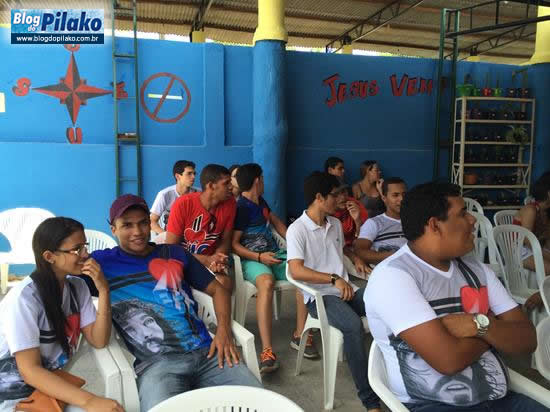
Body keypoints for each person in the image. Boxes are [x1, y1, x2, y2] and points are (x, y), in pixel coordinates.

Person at [365, 182, 544, 412]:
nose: (472, 220)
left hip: (500, 398)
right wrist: (495, 333)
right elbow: (449, 360)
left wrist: (479, 325)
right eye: (462, 213)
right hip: (434, 405)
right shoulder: (394, 276)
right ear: (434, 225)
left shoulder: (477, 269)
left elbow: (528, 340)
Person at [90, 194, 261, 411]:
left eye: (143, 223)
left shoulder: (175, 253)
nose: (137, 232)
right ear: (113, 229)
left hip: (208, 354)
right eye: (127, 225)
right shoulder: (101, 263)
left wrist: (223, 331)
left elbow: (218, 290)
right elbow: (59, 278)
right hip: (158, 365)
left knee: (259, 403)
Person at [0, 217, 122, 412]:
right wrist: (90, 401)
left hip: (49, 387)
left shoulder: (77, 287)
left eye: (85, 246)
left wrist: (103, 289)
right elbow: (30, 371)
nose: (86, 254)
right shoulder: (25, 299)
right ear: (50, 256)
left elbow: (98, 340)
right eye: (77, 249)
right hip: (14, 395)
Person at [286, 171, 381, 412]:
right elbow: (295, 270)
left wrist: (353, 259)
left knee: (383, 305)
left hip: (344, 289)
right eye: (335, 194)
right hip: (318, 296)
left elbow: (340, 252)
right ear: (319, 197)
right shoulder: (297, 229)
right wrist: (333, 279)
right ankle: (370, 400)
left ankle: (396, 377)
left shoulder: (335, 224)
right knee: (353, 326)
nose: (341, 198)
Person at [232, 164, 319, 375]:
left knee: (301, 273)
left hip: (274, 254)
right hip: (252, 259)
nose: (264, 181)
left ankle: (300, 335)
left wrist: (295, 241)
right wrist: (259, 257)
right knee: (266, 282)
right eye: (262, 178)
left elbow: (276, 223)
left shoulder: (260, 201)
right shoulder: (241, 208)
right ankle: (267, 351)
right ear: (257, 181)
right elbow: (233, 244)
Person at [165, 164, 236, 291]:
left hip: (209, 263)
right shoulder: (183, 204)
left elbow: (225, 240)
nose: (231, 187)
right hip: (182, 262)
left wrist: (217, 259)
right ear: (211, 186)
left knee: (225, 283)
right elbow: (170, 249)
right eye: (226, 183)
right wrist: (206, 260)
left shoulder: (230, 204)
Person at [513, 171, 550, 311]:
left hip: (535, 248)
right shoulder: (531, 210)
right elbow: (528, 241)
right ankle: (542, 296)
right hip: (519, 251)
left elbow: (546, 238)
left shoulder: (545, 212)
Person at [354, 177, 407, 265]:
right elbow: (360, 251)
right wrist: (393, 256)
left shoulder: (415, 221)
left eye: (404, 195)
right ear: (384, 198)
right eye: (395, 195)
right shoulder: (374, 223)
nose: (401, 199)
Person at [150, 160, 199, 236]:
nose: (193, 177)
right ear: (178, 176)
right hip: (170, 234)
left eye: (194, 174)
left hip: (192, 235)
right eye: (189, 173)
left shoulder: (199, 193)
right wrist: (166, 236)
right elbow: (152, 222)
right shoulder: (164, 194)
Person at [332, 183, 370, 276]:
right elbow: (338, 245)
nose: (342, 197)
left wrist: (357, 220)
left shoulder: (354, 204)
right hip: (338, 251)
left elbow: (363, 239)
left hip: (355, 247)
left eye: (343, 192)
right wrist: (356, 259)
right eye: (337, 194)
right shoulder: (328, 213)